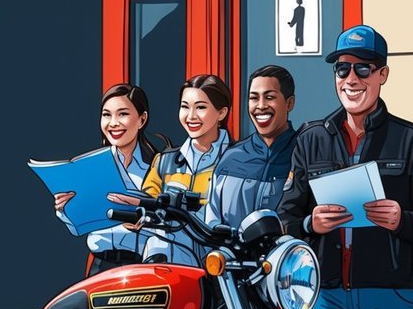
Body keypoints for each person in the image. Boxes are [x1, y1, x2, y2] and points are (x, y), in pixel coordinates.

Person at [277, 25, 413, 309]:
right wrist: (310, 223)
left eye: (363, 69)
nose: (351, 79)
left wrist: (402, 221)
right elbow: (286, 218)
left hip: (391, 292)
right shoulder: (310, 138)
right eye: (342, 69)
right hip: (327, 295)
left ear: (382, 75)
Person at [54, 83, 158, 276]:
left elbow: (168, 225)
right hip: (99, 266)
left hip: (139, 266)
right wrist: (65, 209)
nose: (113, 123)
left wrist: (144, 223)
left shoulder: (154, 171)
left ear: (142, 119)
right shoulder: (90, 168)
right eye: (106, 115)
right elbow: (78, 230)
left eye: (122, 114)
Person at [139, 74, 232, 265]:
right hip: (171, 263)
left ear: (221, 113)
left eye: (201, 107)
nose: (191, 116)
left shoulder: (239, 160)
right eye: (185, 107)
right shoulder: (165, 161)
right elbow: (145, 203)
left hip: (220, 265)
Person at [207, 65, 297, 231]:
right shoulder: (231, 157)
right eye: (254, 98)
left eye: (269, 97)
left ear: (289, 103)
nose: (261, 106)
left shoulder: (303, 154)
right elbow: (212, 221)